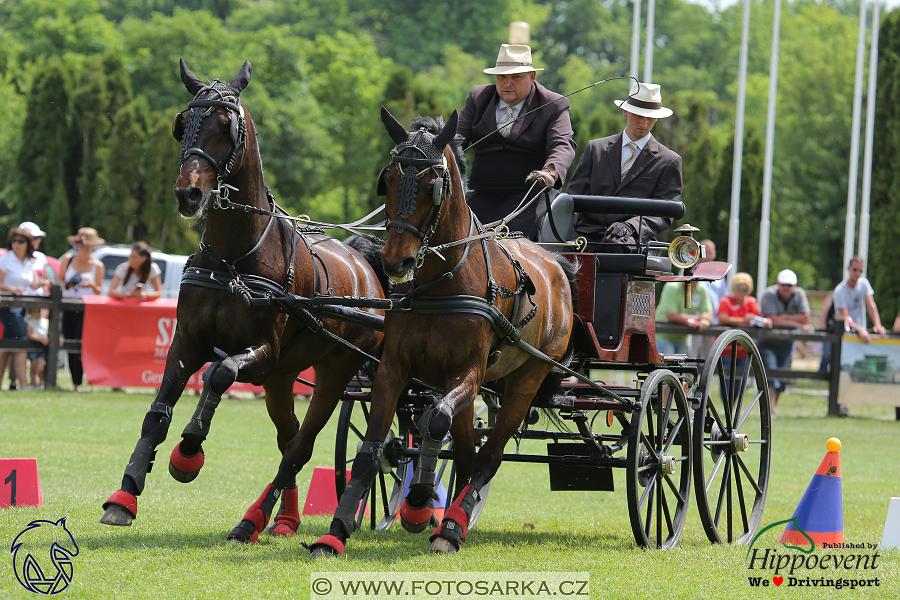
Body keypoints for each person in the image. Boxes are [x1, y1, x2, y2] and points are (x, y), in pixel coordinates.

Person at [457, 44, 576, 238]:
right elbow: (456, 141)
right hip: (479, 192)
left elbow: (562, 145)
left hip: (529, 194)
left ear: (532, 77)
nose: (507, 83)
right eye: (501, 77)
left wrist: (549, 172)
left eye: (515, 77)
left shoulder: (554, 104)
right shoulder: (478, 97)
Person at [569, 81, 682, 253]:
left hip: (635, 240)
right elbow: (573, 197)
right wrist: (563, 230)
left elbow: (664, 213)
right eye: (638, 115)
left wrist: (632, 226)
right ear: (625, 112)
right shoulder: (596, 149)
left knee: (615, 246)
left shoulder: (668, 160)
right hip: (587, 235)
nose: (644, 122)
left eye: (650, 117)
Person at [0, 227, 50, 390]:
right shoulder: (6, 259)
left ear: (28, 244)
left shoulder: (31, 261)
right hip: (7, 306)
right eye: (14, 240)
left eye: (21, 241)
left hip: (23, 307)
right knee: (22, 341)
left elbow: (33, 284)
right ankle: (23, 384)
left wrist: (43, 283)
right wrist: (11, 289)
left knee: (7, 346)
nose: (16, 244)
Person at [758, 269, 813, 416]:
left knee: (783, 378)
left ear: (794, 285)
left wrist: (782, 318)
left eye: (789, 285)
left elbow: (805, 318)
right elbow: (772, 319)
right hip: (767, 343)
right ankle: (771, 411)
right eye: (783, 284)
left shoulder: (800, 294)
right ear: (778, 283)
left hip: (787, 344)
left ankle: (772, 410)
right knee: (770, 374)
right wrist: (797, 323)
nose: (786, 287)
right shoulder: (768, 294)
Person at [59, 227, 105, 392]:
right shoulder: (68, 259)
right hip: (67, 305)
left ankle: (78, 381)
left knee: (79, 343)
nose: (85, 250)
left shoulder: (97, 265)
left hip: (86, 308)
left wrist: (91, 284)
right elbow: (59, 283)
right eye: (82, 246)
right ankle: (75, 382)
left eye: (88, 247)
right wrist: (70, 283)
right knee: (67, 340)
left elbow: (99, 290)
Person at [717, 272, 771, 368]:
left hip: (744, 348)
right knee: (727, 378)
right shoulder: (726, 300)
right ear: (733, 288)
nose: (741, 291)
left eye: (744, 289)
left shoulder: (751, 301)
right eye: (738, 288)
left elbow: (756, 319)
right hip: (726, 348)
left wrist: (764, 323)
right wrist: (743, 320)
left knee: (741, 379)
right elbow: (723, 318)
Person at [832, 256, 886, 344]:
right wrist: (859, 329)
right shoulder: (839, 291)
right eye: (854, 269)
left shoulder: (864, 283)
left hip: (862, 335)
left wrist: (878, 325)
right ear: (848, 269)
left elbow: (871, 305)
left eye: (860, 270)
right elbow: (845, 316)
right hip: (845, 336)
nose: (857, 273)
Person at [655, 280, 713, 356]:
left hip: (684, 337)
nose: (694, 282)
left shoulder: (702, 288)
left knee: (684, 366)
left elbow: (709, 313)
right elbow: (671, 316)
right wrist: (699, 318)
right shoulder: (672, 286)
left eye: (696, 279)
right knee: (667, 367)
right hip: (663, 335)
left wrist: (705, 320)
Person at [25, 307, 49, 389]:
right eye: (34, 311)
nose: (37, 313)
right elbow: (30, 334)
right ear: (30, 313)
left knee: (41, 367)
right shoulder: (30, 322)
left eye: (39, 311)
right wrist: (41, 339)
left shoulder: (46, 322)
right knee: (33, 367)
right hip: (33, 348)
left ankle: (42, 383)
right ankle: (33, 384)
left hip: (42, 348)